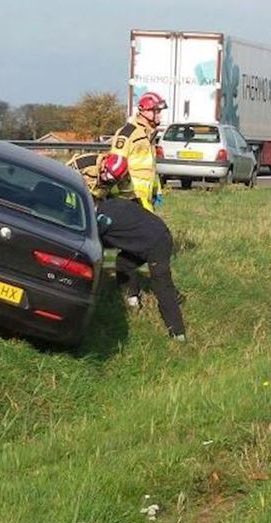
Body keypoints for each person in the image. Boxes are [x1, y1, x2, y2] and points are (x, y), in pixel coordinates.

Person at [66, 151, 188, 342]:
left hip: (157, 243)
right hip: (150, 233)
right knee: (122, 264)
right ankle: (132, 299)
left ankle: (177, 333)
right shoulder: (105, 198)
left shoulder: (102, 218)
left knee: (162, 285)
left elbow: (91, 243)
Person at [109, 91, 167, 213]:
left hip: (145, 200)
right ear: (144, 111)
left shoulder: (148, 135)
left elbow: (149, 166)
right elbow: (114, 167)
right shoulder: (127, 133)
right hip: (130, 200)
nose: (159, 116)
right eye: (157, 112)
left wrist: (157, 190)